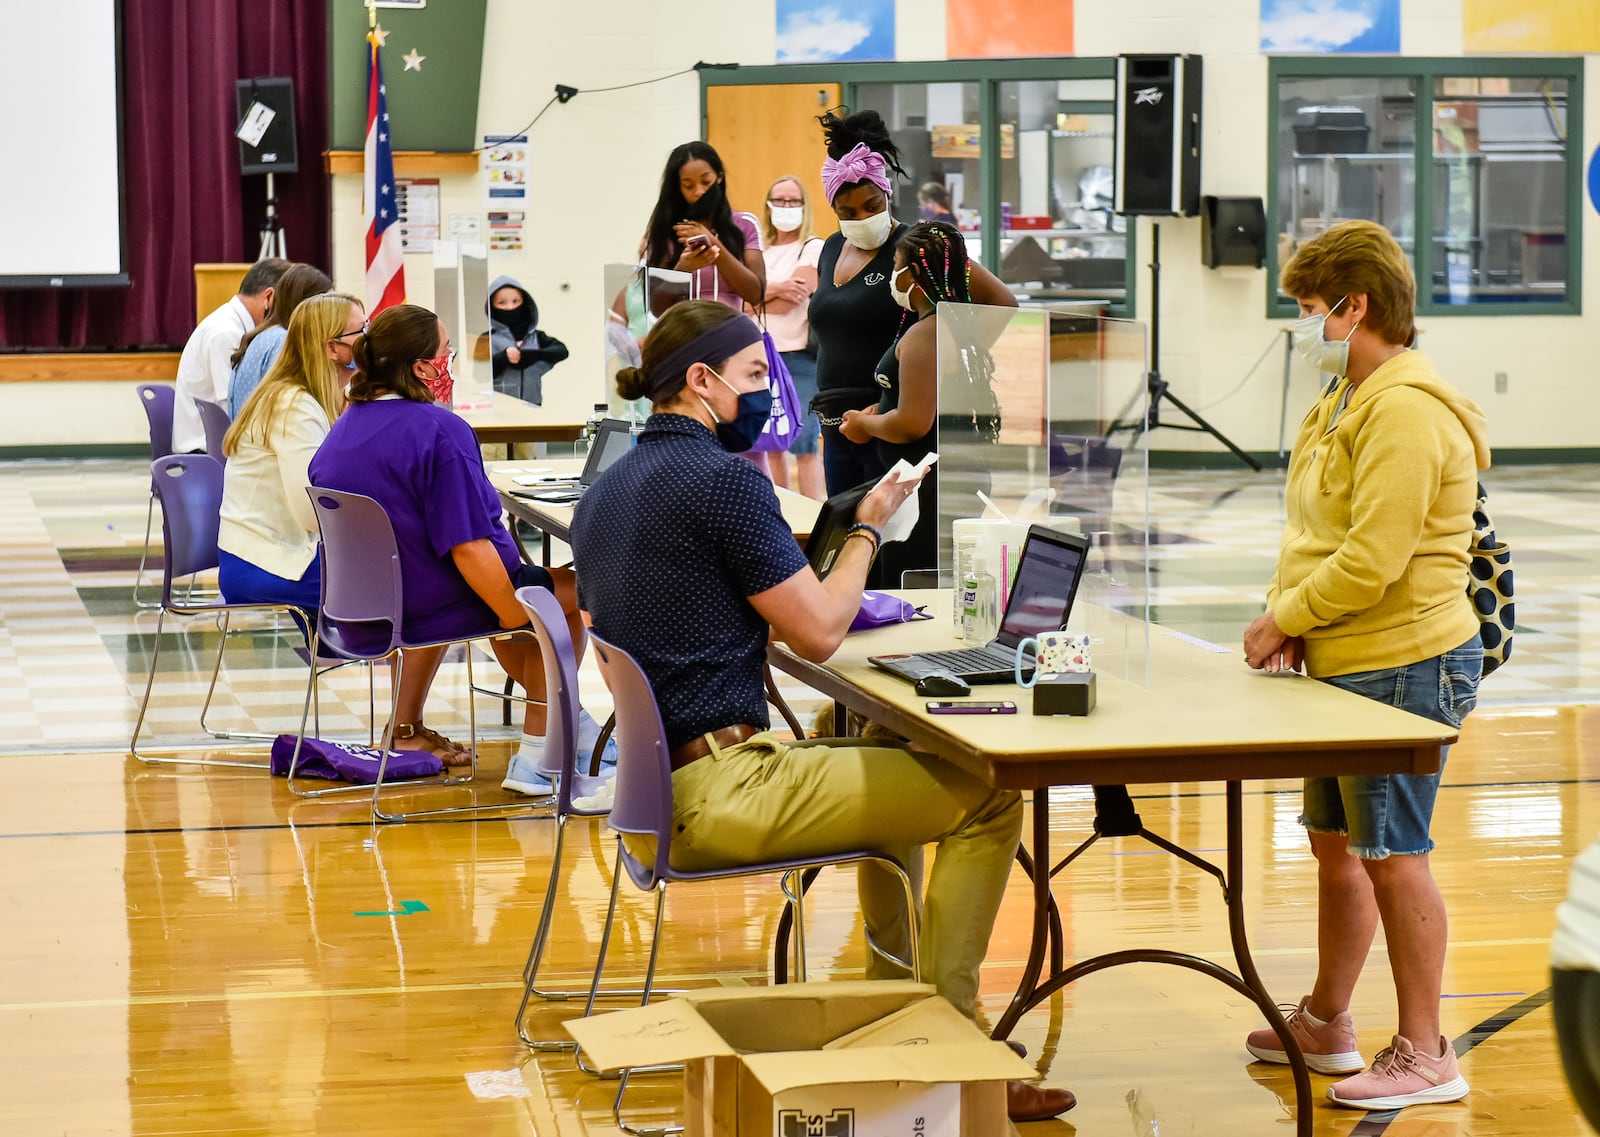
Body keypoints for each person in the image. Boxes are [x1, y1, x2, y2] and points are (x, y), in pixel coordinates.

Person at [569, 300, 1072, 1124]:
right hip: (726, 792)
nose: (771, 398)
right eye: (755, 378)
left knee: (885, 738)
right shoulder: (725, 483)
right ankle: (955, 1040)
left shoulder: (611, 486)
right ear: (700, 382)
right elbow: (818, 632)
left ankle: (897, 1012)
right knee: (988, 790)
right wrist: (869, 527)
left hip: (657, 791)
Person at [1239, 220, 1489, 1110]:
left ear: (1358, 306)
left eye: (1312, 310)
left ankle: (1428, 1050)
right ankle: (1329, 1020)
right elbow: (1317, 531)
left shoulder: (1408, 410)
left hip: (1405, 662)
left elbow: (1373, 558)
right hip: (1344, 659)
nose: (1306, 327)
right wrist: (1300, 617)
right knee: (1335, 846)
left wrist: (1282, 619)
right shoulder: (1345, 395)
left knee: (1393, 854)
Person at [308, 304, 613, 781]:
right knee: (567, 596)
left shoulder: (344, 428)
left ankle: (573, 728)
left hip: (363, 607)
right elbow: (468, 549)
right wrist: (516, 617)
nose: (450, 360)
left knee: (532, 594)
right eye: (445, 351)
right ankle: (540, 759)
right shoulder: (440, 431)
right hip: (431, 602)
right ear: (422, 367)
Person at [840, 221, 1011, 585]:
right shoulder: (954, 325)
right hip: (949, 478)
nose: (892, 276)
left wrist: (862, 424)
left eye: (895, 266)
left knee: (915, 588)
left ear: (913, 274)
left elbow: (911, 424)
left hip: (929, 489)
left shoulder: (926, 335)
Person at [217, 292, 365, 627]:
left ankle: (361, 662)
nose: (368, 342)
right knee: (393, 583)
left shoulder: (305, 396)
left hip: (264, 550)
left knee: (390, 574)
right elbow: (313, 514)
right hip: (264, 561)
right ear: (331, 348)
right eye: (360, 333)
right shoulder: (293, 406)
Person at [751, 175, 824, 500]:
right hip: (759, 358)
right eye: (779, 200)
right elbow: (738, 301)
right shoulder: (758, 253)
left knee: (805, 442)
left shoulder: (812, 247)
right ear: (768, 206)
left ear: (804, 206)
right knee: (770, 442)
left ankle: (814, 515)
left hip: (799, 358)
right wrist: (777, 288)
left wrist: (758, 295)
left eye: (793, 201)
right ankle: (782, 511)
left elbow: (791, 301)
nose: (785, 207)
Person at [173, 258, 288, 453]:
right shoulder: (226, 334)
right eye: (289, 307)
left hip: (216, 444)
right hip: (205, 452)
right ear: (269, 298)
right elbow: (234, 409)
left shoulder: (231, 324)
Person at [642, 141, 765, 312]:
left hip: (733, 333)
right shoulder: (664, 230)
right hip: (683, 334)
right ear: (677, 187)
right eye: (688, 185)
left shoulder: (745, 224)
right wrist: (682, 269)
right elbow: (653, 307)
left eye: (706, 182)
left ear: (719, 177)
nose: (699, 191)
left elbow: (755, 294)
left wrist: (714, 244)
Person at [228, 263, 334, 417]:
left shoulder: (261, 335)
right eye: (326, 307)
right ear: (306, 307)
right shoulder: (283, 341)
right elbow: (290, 408)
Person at [487, 276, 568, 406]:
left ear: (524, 303)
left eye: (516, 301)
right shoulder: (487, 339)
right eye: (502, 303)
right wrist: (503, 357)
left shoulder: (536, 337)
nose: (510, 307)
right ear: (492, 306)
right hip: (499, 410)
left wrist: (532, 355)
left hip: (533, 408)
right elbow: (477, 375)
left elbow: (561, 351)